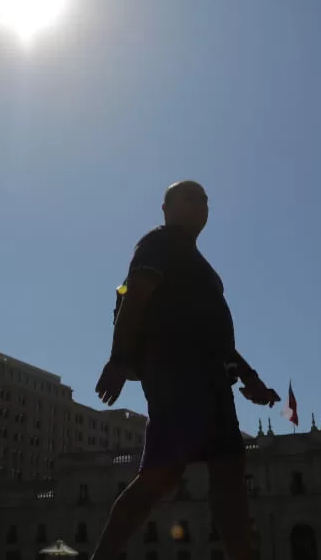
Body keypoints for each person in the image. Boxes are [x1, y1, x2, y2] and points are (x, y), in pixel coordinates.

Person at [92, 180, 281, 560]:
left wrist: (249, 376)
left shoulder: (205, 270)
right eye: (188, 198)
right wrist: (117, 359)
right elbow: (135, 299)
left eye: (204, 200)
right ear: (166, 208)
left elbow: (216, 335)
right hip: (174, 376)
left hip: (213, 380)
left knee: (229, 474)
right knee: (161, 477)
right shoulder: (157, 245)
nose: (200, 205)